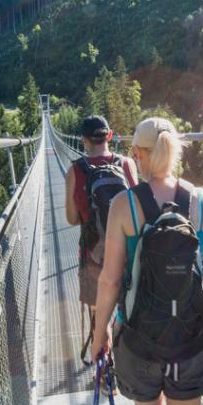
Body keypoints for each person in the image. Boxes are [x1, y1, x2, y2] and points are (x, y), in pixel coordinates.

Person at [90, 116, 203, 405]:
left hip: (138, 341)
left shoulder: (124, 205)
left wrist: (100, 337)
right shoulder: (201, 200)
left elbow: (110, 282)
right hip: (191, 338)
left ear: (138, 155)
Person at [65, 115, 138, 364]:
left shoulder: (76, 170)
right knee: (128, 307)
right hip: (128, 252)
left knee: (100, 313)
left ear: (84, 140)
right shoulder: (127, 164)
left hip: (93, 255)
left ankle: (106, 369)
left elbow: (72, 218)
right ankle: (131, 360)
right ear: (109, 136)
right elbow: (137, 211)